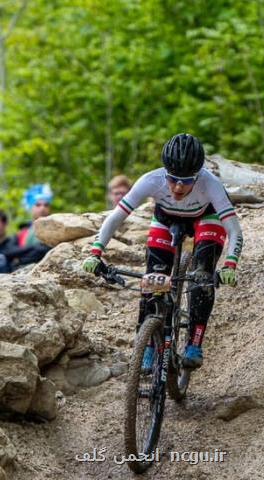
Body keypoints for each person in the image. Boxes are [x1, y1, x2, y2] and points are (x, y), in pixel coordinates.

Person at [82, 133, 243, 369]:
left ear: (198, 175)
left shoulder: (211, 184)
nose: (178, 186)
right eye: (173, 179)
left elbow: (235, 231)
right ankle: (147, 345)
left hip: (205, 218)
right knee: (153, 279)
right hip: (165, 220)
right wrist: (96, 250)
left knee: (201, 275)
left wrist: (230, 263)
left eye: (187, 181)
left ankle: (194, 343)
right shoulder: (151, 180)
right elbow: (116, 216)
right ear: (164, 172)